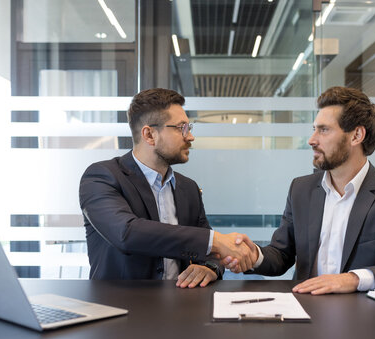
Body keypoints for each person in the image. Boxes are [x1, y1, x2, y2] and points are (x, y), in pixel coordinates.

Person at [226, 86, 375, 294]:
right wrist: (254, 255)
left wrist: (354, 279)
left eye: (323, 130)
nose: (312, 140)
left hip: (366, 322)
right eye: (314, 129)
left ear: (356, 136)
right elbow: (282, 254)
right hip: (305, 314)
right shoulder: (301, 189)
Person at [80, 88, 255, 288]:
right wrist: (215, 241)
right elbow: (126, 233)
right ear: (150, 135)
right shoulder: (102, 177)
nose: (190, 137)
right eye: (181, 128)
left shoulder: (188, 188)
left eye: (189, 128)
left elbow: (210, 252)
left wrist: (210, 267)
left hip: (179, 309)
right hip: (119, 309)